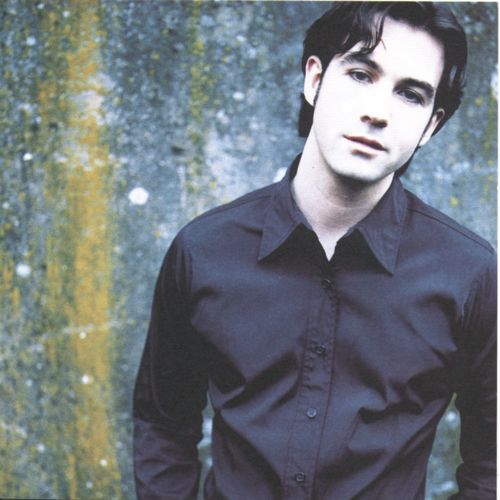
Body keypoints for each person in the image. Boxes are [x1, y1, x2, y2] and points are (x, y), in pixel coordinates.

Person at [133, 2, 496, 499]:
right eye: (361, 74)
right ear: (315, 79)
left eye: (410, 94)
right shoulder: (204, 250)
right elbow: (162, 422)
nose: (378, 112)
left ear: (430, 126)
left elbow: (492, 459)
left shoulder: (469, 274)